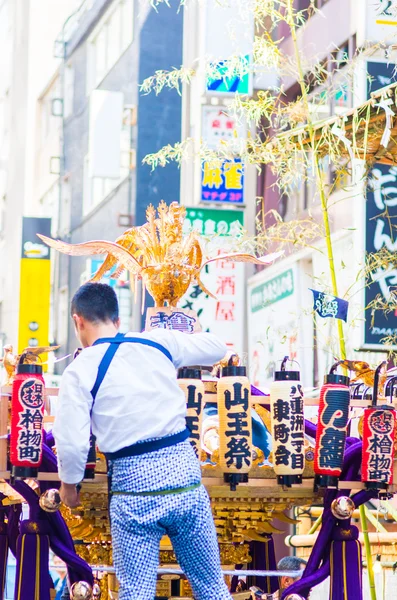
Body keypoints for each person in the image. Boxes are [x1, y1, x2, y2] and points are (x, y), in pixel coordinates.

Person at [53, 282, 232, 600]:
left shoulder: (80, 370)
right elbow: (217, 347)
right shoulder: (158, 342)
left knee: (136, 592)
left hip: (132, 491)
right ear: (117, 320)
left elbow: (72, 441)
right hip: (184, 483)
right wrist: (185, 335)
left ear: (78, 320)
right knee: (211, 587)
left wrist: (69, 487)